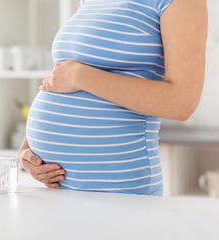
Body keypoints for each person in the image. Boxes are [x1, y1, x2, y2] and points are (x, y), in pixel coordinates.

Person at [18, 0, 208, 195]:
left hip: (120, 189)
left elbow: (182, 102)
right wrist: (27, 151)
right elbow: (61, 77)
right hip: (61, 188)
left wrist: (80, 76)